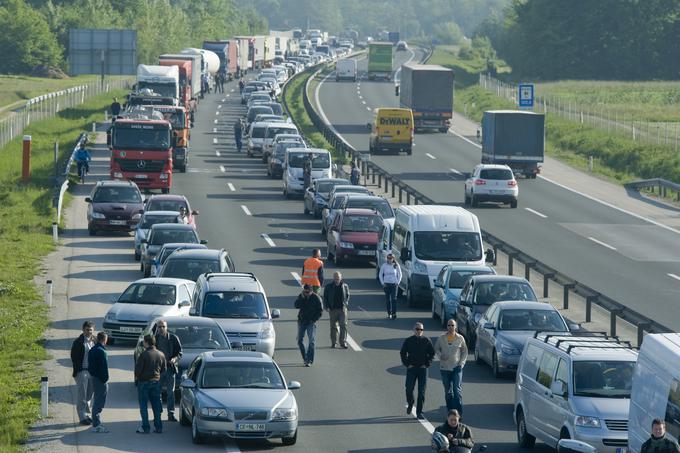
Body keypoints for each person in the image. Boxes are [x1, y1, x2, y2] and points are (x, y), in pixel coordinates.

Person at [400, 322, 435, 419]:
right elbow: (403, 353)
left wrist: (427, 364)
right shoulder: (408, 340)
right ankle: (410, 402)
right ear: (413, 330)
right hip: (412, 369)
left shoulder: (427, 340)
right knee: (409, 388)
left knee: (421, 391)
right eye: (417, 329)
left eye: (421, 329)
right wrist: (407, 364)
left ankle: (419, 412)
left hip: (422, 370)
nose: (419, 331)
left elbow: (432, 353)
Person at [434, 319, 468, 416]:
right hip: (445, 368)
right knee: (448, 392)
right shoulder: (441, 338)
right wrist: (440, 356)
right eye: (449, 325)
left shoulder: (460, 338)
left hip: (456, 368)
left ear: (456, 327)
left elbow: (465, 352)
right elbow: (436, 348)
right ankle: (450, 413)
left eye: (452, 325)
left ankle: (459, 414)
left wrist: (461, 363)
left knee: (457, 391)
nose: (450, 327)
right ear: (447, 326)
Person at [134, 334, 167, 434]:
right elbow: (163, 369)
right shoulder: (161, 354)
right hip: (156, 382)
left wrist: (137, 379)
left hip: (144, 382)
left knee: (143, 405)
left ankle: (145, 427)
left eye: (144, 341)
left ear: (147, 342)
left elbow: (138, 371)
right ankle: (158, 427)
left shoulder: (143, 355)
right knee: (156, 405)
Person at [154, 320, 182, 422]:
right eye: (159, 327)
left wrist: (174, 359)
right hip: (159, 370)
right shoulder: (155, 339)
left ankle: (171, 414)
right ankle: (158, 414)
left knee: (171, 393)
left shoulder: (173, 338)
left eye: (163, 327)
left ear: (166, 327)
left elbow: (180, 352)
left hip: (170, 369)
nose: (161, 329)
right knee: (157, 393)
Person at [70, 320, 95, 425]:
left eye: (90, 330)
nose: (88, 332)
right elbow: (74, 357)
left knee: (89, 394)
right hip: (82, 372)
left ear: (93, 330)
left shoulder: (95, 341)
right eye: (86, 330)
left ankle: (87, 415)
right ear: (83, 330)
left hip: (92, 372)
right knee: (82, 396)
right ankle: (82, 417)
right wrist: (78, 370)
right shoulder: (78, 342)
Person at [295, 284, 323, 367]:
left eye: (307, 292)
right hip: (302, 321)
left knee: (311, 342)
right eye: (305, 291)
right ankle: (305, 358)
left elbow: (320, 311)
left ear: (311, 291)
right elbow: (296, 305)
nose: (306, 293)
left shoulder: (316, 298)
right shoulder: (302, 296)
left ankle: (310, 360)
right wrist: (302, 298)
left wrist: (313, 320)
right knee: (300, 341)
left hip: (311, 322)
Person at [87, 332, 110, 433]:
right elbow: (104, 368)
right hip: (100, 379)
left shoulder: (92, 350)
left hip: (93, 377)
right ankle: (96, 424)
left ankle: (96, 422)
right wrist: (105, 379)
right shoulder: (102, 351)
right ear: (105, 340)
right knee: (99, 401)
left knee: (96, 399)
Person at [323, 271, 350, 349]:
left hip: (342, 309)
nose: (337, 280)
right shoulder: (328, 287)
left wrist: (346, 304)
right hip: (333, 310)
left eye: (338, 278)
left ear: (341, 278)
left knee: (343, 326)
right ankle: (334, 343)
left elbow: (348, 295)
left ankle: (343, 342)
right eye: (335, 278)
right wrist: (327, 307)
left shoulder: (345, 286)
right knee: (333, 327)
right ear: (333, 278)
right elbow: (325, 297)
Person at [379, 253, 402, 319]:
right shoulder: (384, 265)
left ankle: (394, 313)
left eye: (390, 258)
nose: (389, 260)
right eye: (388, 258)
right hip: (386, 284)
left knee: (394, 299)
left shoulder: (396, 265)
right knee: (388, 300)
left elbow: (400, 274)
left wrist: (398, 282)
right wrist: (383, 283)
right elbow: (380, 275)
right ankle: (389, 313)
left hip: (394, 284)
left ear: (393, 259)